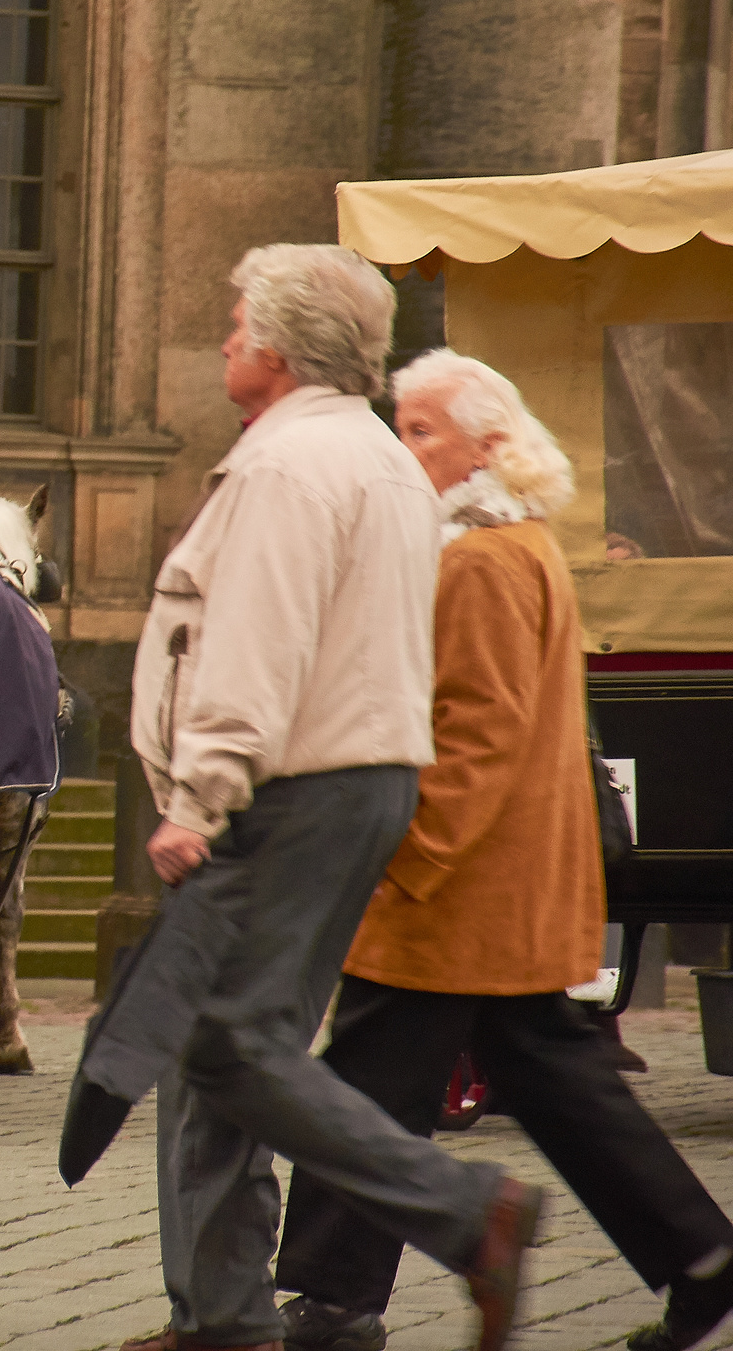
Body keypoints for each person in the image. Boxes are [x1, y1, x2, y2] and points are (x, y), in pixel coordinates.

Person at [120, 245, 538, 1351]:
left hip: (290, 789)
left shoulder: (288, 464)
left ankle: (469, 1213)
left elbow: (256, 645)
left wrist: (198, 797)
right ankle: (222, 1315)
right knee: (220, 1047)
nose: (223, 339)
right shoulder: (376, 458)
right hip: (356, 782)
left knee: (228, 1046)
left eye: (236, 322)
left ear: (277, 345)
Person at [274, 350, 733, 1351]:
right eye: (400, 426)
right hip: (496, 890)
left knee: (365, 1087)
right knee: (555, 1085)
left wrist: (405, 858)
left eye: (421, 430)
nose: (402, 447)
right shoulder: (511, 542)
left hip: (455, 894)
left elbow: (476, 734)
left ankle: (332, 1300)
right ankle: (702, 1259)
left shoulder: (480, 558)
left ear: (486, 447)